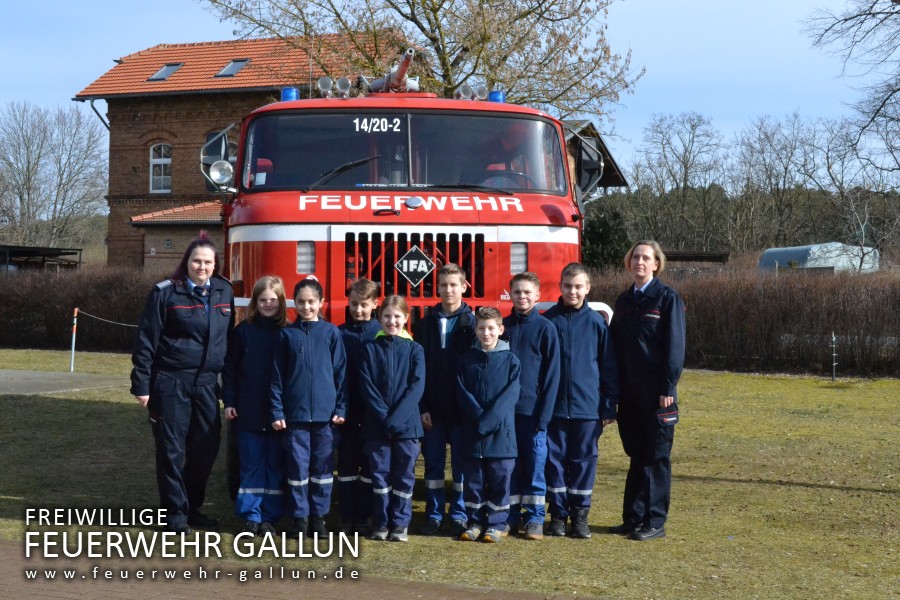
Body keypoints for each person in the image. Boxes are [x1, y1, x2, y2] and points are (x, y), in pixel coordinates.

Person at [130, 234, 234, 534]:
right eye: (197, 261)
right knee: (171, 450)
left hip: (206, 385)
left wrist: (229, 388)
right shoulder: (165, 293)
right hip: (171, 382)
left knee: (206, 447)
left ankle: (191, 506)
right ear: (186, 262)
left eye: (208, 262)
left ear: (215, 266)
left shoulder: (223, 291)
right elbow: (146, 341)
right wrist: (142, 384)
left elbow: (227, 342)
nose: (202, 266)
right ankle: (174, 514)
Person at [609, 241, 686, 542]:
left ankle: (655, 520)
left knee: (655, 456)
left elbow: (675, 346)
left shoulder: (667, 298)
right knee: (636, 454)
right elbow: (614, 346)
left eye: (646, 258)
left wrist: (668, 385)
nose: (640, 262)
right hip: (629, 393)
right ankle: (633, 518)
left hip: (658, 393)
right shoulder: (624, 301)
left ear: (656, 264)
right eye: (635, 257)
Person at [543, 262, 619, 539]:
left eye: (578, 287)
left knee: (584, 461)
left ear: (587, 288)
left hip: (588, 408)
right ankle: (558, 515)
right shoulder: (548, 320)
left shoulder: (597, 323)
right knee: (554, 461)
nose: (572, 291)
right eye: (567, 286)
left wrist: (609, 404)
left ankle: (581, 515)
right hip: (553, 409)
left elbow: (608, 366)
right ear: (560, 287)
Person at [270, 278, 347, 538]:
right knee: (297, 470)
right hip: (295, 418)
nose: (306, 306)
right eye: (301, 302)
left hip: (326, 419)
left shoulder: (331, 333)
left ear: (321, 303)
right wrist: (278, 412)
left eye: (311, 301)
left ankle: (319, 518)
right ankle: (299, 518)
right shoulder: (286, 335)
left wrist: (341, 408)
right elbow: (277, 378)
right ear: (294, 303)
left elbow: (341, 375)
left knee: (322, 471)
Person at [222, 275, 288, 537]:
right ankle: (251, 516)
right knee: (251, 466)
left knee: (274, 467)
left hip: (278, 415)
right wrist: (230, 401)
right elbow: (231, 370)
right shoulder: (243, 332)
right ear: (255, 302)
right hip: (248, 411)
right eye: (263, 300)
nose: (268, 304)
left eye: (273, 300)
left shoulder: (288, 332)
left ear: (280, 301)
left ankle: (270, 517)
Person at [414, 263, 475, 537]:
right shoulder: (425, 323)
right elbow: (419, 369)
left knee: (461, 467)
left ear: (464, 287)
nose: (448, 290)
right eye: (443, 285)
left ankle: (459, 515)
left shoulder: (474, 324)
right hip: (433, 410)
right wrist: (423, 407)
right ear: (436, 288)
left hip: (461, 411)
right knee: (434, 466)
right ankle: (434, 514)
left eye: (453, 285)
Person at [359, 296, 425, 542]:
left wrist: (396, 419)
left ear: (406, 318)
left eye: (397, 316)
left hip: (407, 428)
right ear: (380, 318)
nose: (392, 321)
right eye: (387, 316)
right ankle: (381, 522)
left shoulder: (415, 349)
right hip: (376, 428)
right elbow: (367, 386)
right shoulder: (369, 348)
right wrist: (384, 417)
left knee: (403, 477)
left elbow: (416, 387)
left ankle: (400, 524)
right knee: (380, 476)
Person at [455, 306, 521, 543]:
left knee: (499, 481)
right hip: (473, 434)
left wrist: (489, 421)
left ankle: (496, 523)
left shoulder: (511, 360)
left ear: (500, 329)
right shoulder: (466, 360)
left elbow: (510, 395)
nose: (486, 333)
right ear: (476, 330)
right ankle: (474, 521)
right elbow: (462, 392)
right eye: (481, 328)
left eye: (491, 328)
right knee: (473, 482)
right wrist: (479, 420)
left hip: (501, 435)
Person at [502, 272, 560, 540]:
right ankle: (510, 516)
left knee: (536, 466)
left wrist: (544, 416)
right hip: (507, 414)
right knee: (510, 468)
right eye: (517, 292)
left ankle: (535, 518)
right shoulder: (502, 327)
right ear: (510, 294)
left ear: (537, 295)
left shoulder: (546, 328)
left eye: (527, 293)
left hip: (534, 413)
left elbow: (551, 377)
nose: (522, 297)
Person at [336, 278, 381, 534]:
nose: (358, 310)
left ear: (374, 304)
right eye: (354, 304)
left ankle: (364, 515)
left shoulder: (381, 333)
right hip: (346, 411)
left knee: (370, 466)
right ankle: (345, 515)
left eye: (364, 305)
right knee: (346, 465)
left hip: (373, 413)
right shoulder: (339, 333)